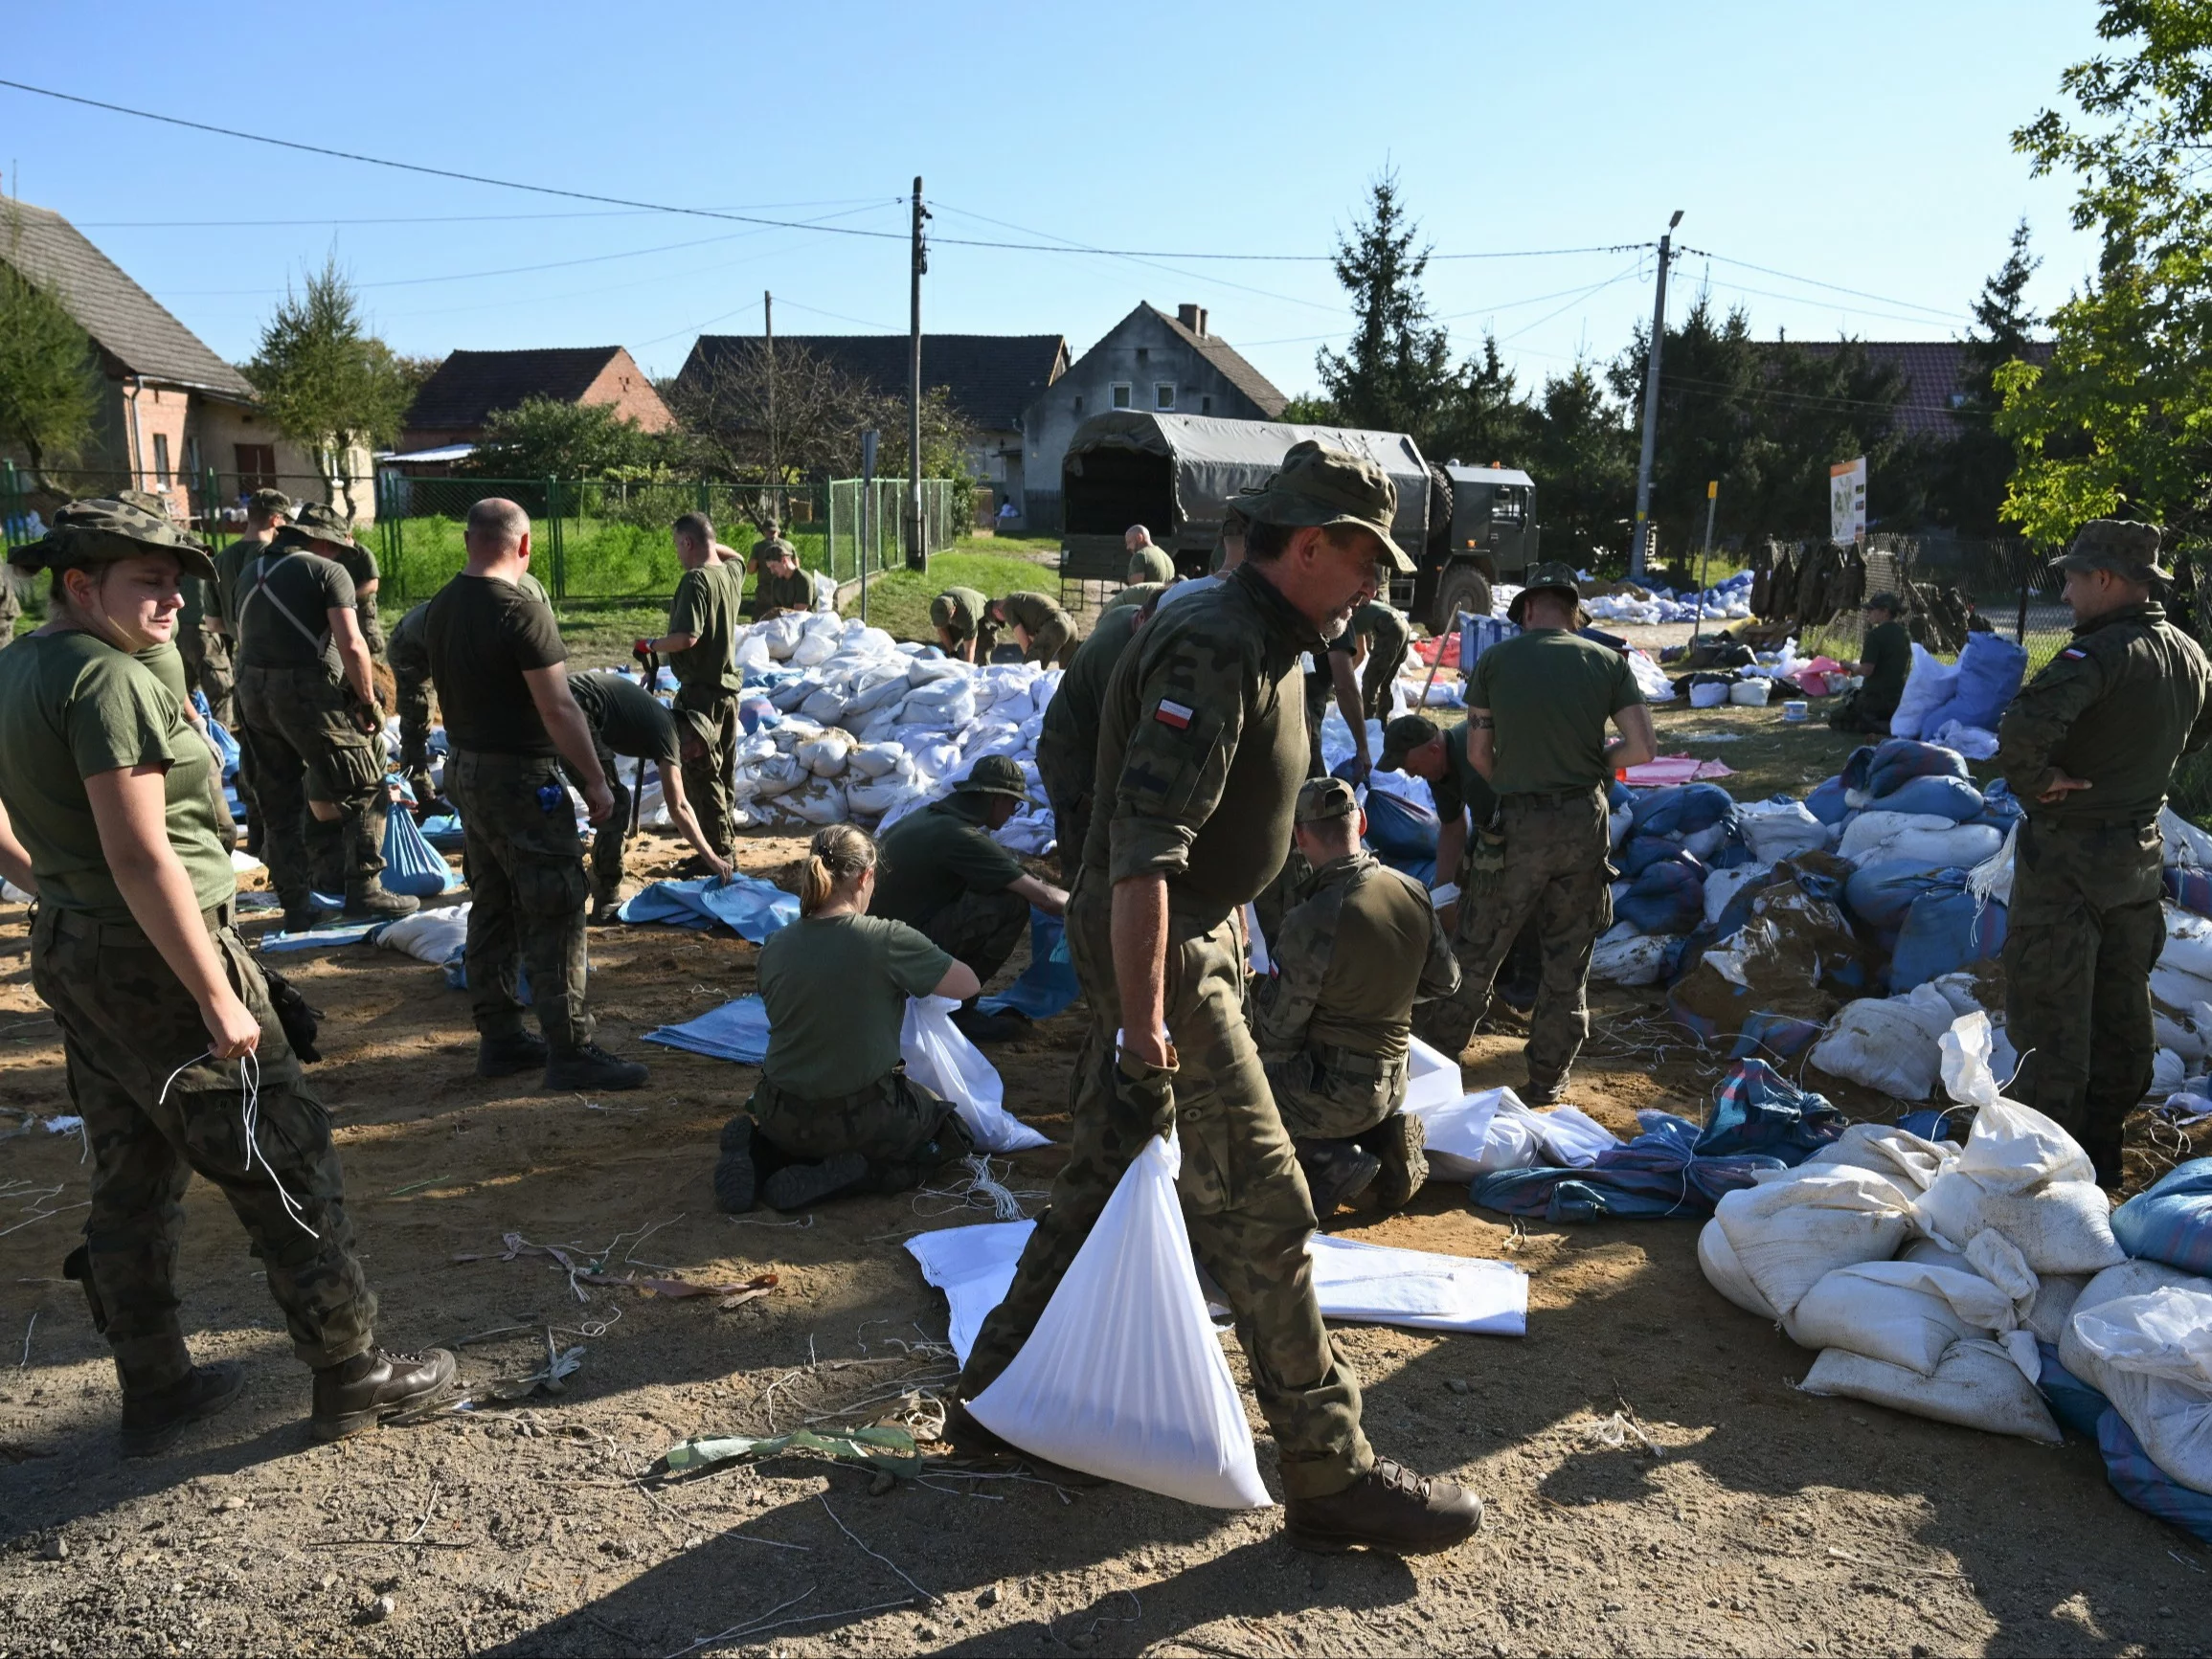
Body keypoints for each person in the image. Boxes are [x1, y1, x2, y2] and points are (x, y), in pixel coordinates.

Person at [954, 440, 1481, 1554]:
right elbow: (1145, 847)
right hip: (1167, 953)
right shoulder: (1218, 642)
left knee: (1104, 1172)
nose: (1376, 583)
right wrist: (1149, 1014)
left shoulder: (1271, 634)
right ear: (1310, 545)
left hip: (1190, 937)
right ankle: (1329, 1469)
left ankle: (994, 1395)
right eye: (1366, 559)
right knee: (1267, 1202)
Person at [0, 499, 453, 1455]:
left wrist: (55, 885)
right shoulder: (105, 679)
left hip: (82, 946)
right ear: (80, 583)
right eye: (148, 582)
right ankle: (351, 1369)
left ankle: (155, 1383)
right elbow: (141, 853)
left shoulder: (25, 664)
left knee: (131, 1166)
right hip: (158, 953)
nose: (171, 601)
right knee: (282, 1151)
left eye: (176, 583)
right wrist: (214, 992)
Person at [1998, 520, 2212, 1186]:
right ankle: (2102, 1160)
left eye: (2072, 578)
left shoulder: (2098, 654)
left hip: (2068, 861)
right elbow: (2197, 733)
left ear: (2106, 578)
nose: (2065, 592)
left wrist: (2040, 780)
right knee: (2121, 1013)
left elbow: (2020, 732)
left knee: (2052, 1018)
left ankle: (2047, 1183)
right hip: (2139, 858)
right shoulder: (2188, 653)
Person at [425, 498, 647, 1092]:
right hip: (520, 779)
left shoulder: (441, 605)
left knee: (493, 902)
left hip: (466, 771)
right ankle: (570, 1048)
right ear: (524, 545)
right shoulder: (520, 609)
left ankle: (500, 1038)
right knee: (555, 906)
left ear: (468, 540)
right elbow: (558, 707)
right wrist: (595, 781)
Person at [1416, 563, 1656, 1102]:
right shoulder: (1606, 661)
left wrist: (1518, 780)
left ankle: (1435, 1066)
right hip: (1584, 823)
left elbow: (1479, 755)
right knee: (1567, 961)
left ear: (1526, 608)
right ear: (1574, 610)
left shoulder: (1495, 661)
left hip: (1519, 826)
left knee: (1479, 950)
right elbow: (1642, 748)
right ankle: (1548, 1079)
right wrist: (1592, 765)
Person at [713, 824, 982, 1213]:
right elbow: (968, 984)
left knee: (805, 1132)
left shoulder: (775, 945)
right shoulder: (886, 938)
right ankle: (860, 1175)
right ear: (864, 877)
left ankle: (760, 1154)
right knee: (949, 1130)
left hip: (780, 1112)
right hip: (862, 1117)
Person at [1254, 778, 1460, 1219]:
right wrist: (1382, 991)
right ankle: (1381, 1139)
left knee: (1235, 1086)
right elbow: (1446, 982)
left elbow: (1277, 1033)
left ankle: (1329, 1159)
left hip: (1335, 1092)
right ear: (1362, 822)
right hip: (1395, 1082)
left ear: (1300, 837)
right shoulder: (1411, 891)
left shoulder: (1312, 918)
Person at [231, 494, 413, 930]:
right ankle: (365, 890)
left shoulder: (250, 569)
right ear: (326, 542)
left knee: (278, 800)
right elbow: (352, 644)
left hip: (251, 692)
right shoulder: (327, 571)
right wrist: (368, 702)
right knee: (365, 785)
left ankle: (296, 905)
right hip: (304, 691)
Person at [870, 755, 1068, 1039]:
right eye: (1013, 804)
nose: (1013, 813)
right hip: (894, 957)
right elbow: (1045, 898)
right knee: (1011, 903)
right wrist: (1095, 906)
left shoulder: (928, 817)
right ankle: (957, 1008)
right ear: (996, 799)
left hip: (876, 944)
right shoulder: (959, 836)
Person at [566, 667, 731, 920]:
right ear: (689, 729)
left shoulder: (660, 722)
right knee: (616, 804)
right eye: (697, 748)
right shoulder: (669, 730)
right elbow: (678, 806)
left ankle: (580, 879)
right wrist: (712, 858)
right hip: (578, 706)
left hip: (561, 699)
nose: (691, 757)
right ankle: (606, 898)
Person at [1034, 582, 1167, 882]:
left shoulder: (1127, 614)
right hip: (1068, 752)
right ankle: (1075, 894)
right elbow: (1118, 735)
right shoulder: (1115, 658)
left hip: (1079, 738)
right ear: (1143, 618)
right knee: (1082, 834)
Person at [387, 569, 553, 809]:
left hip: (445, 641)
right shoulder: (487, 609)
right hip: (413, 647)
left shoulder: (528, 602)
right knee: (420, 717)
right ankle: (419, 792)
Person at [637, 512, 744, 869]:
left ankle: (717, 856)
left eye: (678, 545)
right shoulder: (729, 574)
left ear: (688, 542)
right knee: (723, 774)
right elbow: (737, 556)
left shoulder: (696, 580)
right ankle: (724, 846)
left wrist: (651, 645)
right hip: (727, 694)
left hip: (701, 697)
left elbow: (687, 637)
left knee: (702, 775)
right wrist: (710, 544)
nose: (678, 554)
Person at [1828, 592, 1911, 732]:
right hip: (1899, 699)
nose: (1868, 613)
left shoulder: (1875, 635)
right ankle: (1890, 723)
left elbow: (1867, 670)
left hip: (1875, 699)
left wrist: (1850, 666)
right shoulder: (1905, 634)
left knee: (1835, 718)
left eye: (1871, 610)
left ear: (1885, 612)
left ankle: (1876, 726)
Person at [989, 589, 1075, 667]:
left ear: (996, 611)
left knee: (1030, 668)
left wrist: (1030, 657)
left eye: (999, 620)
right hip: (1070, 622)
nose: (1005, 621)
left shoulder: (1007, 607)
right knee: (1070, 674)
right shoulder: (1019, 598)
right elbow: (1035, 640)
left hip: (1056, 625)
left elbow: (1026, 646)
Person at [747, 537, 813, 620]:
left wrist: (778, 611)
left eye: (773, 566)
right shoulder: (776, 581)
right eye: (769, 568)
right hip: (787, 623)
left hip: (808, 625)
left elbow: (799, 614)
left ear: (784, 560)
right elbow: (776, 612)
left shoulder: (803, 579)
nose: (772, 571)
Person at [930, 585, 993, 662]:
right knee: (945, 651)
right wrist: (952, 652)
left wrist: (966, 668)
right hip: (960, 613)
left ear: (954, 609)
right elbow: (941, 627)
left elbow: (969, 650)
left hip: (984, 614)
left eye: (946, 619)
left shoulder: (967, 614)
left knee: (981, 654)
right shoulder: (936, 607)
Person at [1125, 525, 1175, 589]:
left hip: (1149, 595)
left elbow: (1135, 590)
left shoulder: (1140, 556)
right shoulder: (1167, 557)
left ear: (1139, 537)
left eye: (1129, 542)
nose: (1127, 547)